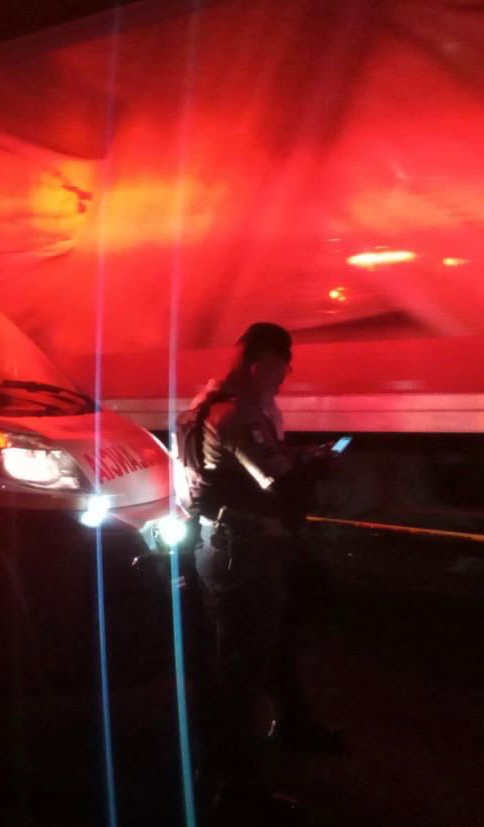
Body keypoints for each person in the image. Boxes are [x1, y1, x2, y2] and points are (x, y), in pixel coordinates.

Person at [177, 321, 340, 823]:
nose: (284, 378)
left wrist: (302, 456)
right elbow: (273, 478)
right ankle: (235, 792)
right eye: (281, 367)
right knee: (238, 675)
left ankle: (283, 729)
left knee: (263, 649)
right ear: (259, 364)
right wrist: (314, 467)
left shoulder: (207, 406)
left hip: (224, 547)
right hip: (243, 553)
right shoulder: (239, 413)